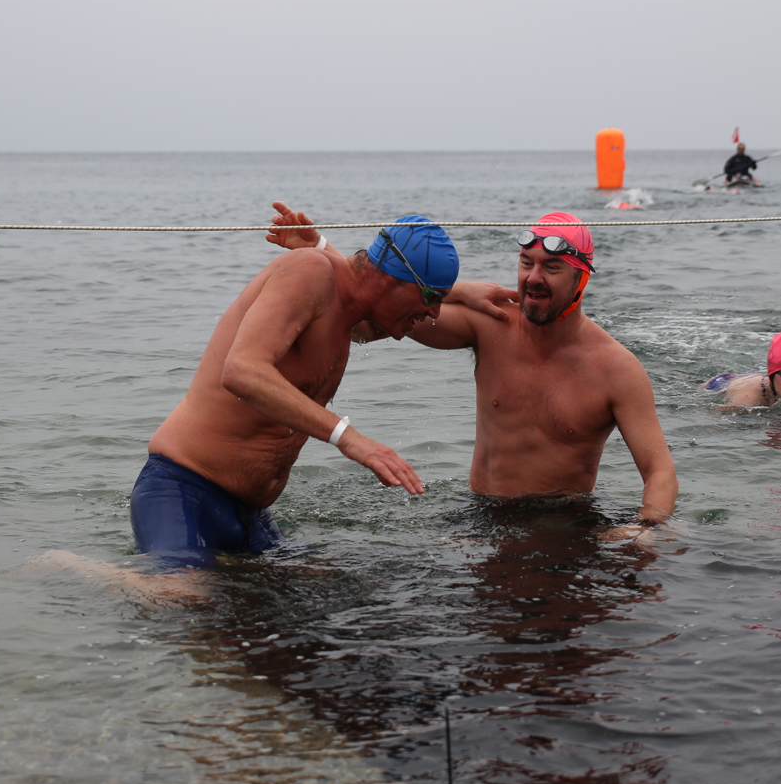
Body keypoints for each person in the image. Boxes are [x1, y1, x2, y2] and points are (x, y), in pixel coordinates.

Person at [270, 205, 678, 533]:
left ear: (581, 277)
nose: (533, 278)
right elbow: (374, 316)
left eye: (552, 268)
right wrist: (322, 249)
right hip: (480, 516)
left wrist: (645, 528)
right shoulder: (492, 325)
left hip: (563, 525)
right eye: (526, 263)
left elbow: (659, 471)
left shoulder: (615, 369)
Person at [132, 214, 497, 570]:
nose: (435, 312)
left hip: (250, 515)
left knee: (338, 587)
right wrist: (349, 439)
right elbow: (241, 371)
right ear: (391, 279)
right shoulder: (309, 270)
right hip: (183, 492)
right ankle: (95, 571)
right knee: (182, 598)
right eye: (431, 296)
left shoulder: (350, 312)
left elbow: (368, 285)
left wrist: (463, 293)